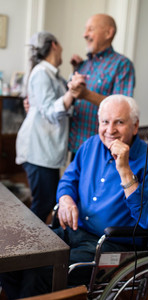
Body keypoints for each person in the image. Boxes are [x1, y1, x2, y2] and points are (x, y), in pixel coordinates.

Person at [1, 94, 148, 298]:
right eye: (105, 122)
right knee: (15, 260)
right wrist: (65, 199)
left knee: (40, 273)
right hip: (73, 230)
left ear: (135, 127)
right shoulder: (90, 145)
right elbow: (68, 180)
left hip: (110, 245)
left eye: (120, 122)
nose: (110, 130)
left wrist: (124, 170)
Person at [15, 31, 73, 222]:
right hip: (37, 150)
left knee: (49, 202)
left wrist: (74, 73)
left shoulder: (52, 75)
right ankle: (27, 245)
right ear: (54, 45)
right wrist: (72, 93)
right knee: (44, 203)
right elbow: (50, 111)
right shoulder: (41, 73)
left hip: (45, 151)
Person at [67, 13, 135, 157]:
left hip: (102, 149)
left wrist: (86, 94)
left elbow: (123, 107)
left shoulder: (122, 64)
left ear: (108, 33)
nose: (85, 34)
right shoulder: (83, 65)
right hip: (76, 146)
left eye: (90, 29)